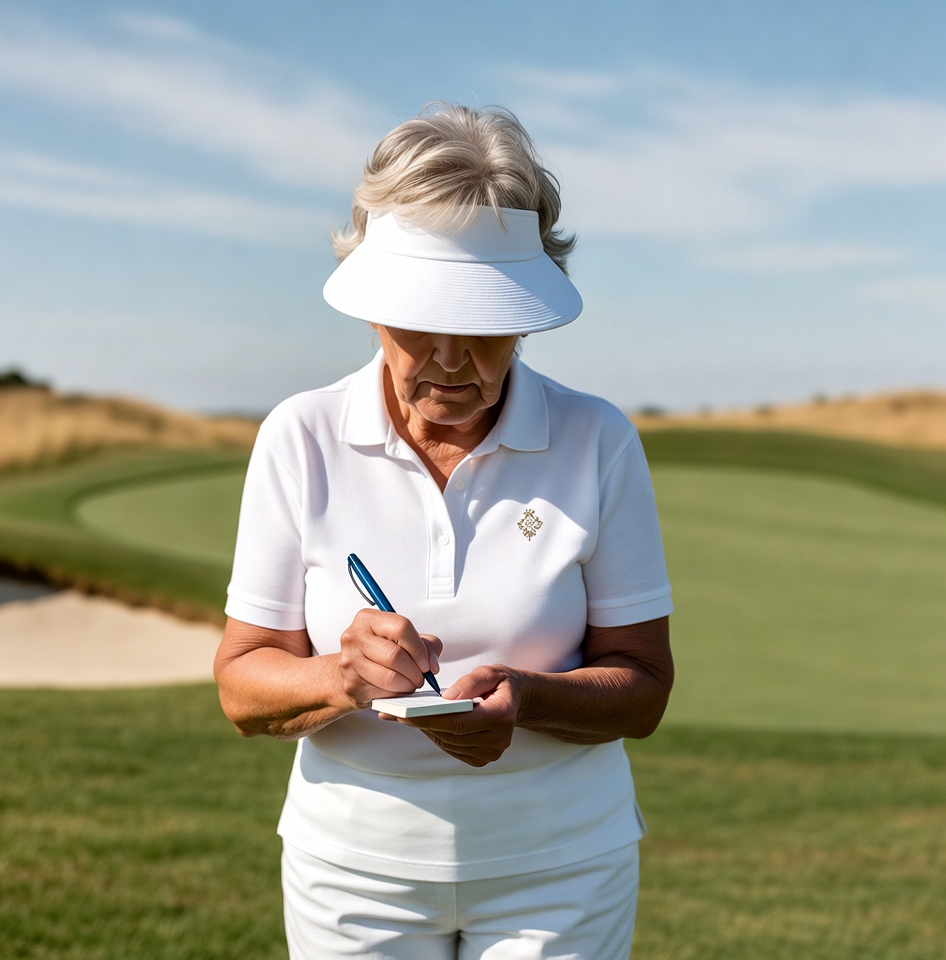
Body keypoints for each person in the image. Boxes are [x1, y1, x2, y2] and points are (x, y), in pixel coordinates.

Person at [214, 103, 674, 960]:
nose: (451, 360)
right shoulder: (299, 435)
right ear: (371, 306)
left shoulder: (597, 438)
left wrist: (531, 698)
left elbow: (644, 687)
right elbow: (242, 687)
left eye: (485, 325)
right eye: (419, 323)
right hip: (351, 873)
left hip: (563, 870)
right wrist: (344, 675)